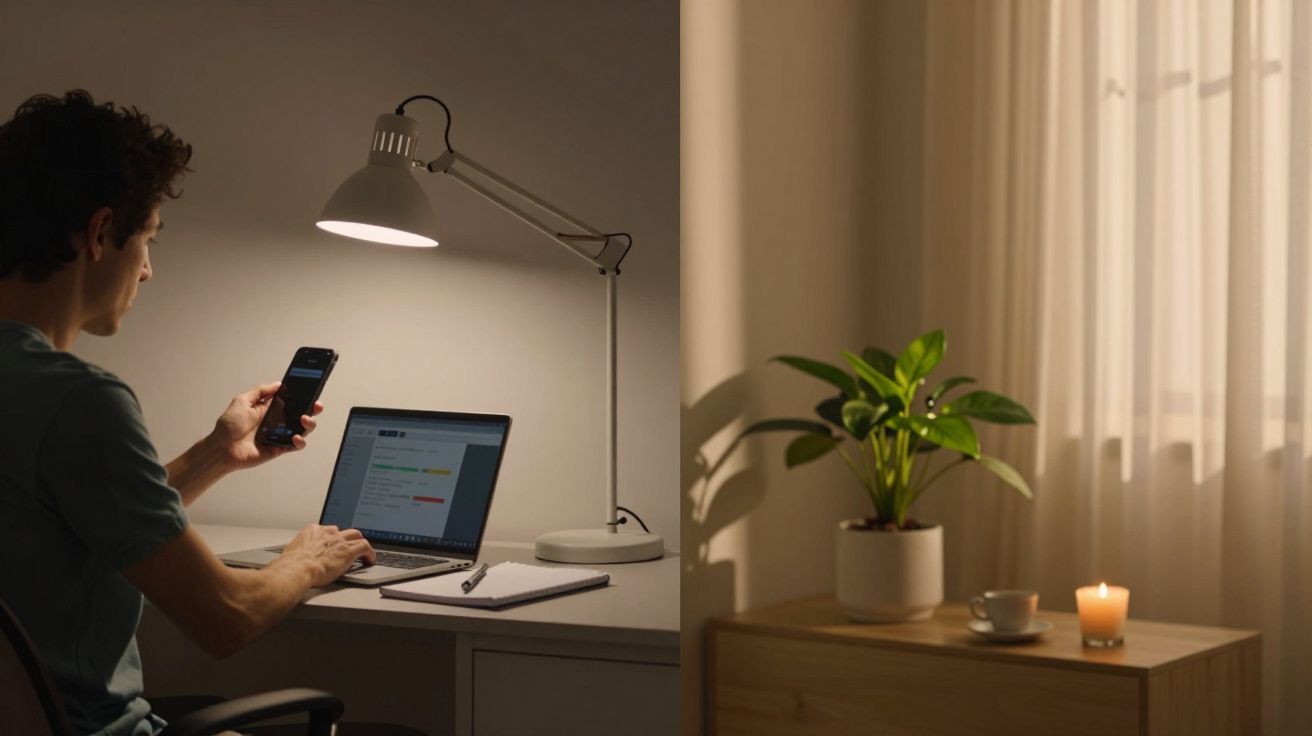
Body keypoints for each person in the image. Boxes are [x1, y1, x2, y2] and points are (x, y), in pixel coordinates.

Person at [0, 90, 377, 736]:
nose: (147, 271)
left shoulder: (30, 395)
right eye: (146, 239)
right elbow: (226, 618)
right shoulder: (78, 401)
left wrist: (214, 453)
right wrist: (309, 558)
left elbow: (66, 521)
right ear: (99, 233)